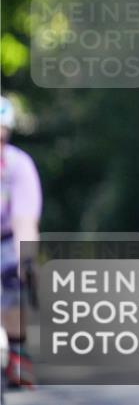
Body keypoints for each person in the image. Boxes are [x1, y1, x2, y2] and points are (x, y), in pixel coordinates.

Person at [0, 95, 41, 388]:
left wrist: (25, 260)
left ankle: (16, 351)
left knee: (13, 283)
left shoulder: (18, 165)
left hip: (6, 238)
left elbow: (24, 220)